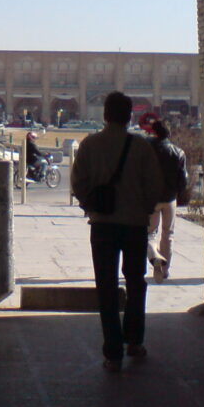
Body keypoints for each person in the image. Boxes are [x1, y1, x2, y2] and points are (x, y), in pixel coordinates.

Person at [71, 91, 162, 372]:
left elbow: (78, 183)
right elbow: (155, 187)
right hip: (134, 225)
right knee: (136, 282)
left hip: (103, 226)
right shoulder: (141, 147)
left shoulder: (90, 145)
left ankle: (112, 352)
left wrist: (92, 206)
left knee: (107, 287)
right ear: (130, 116)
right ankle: (134, 340)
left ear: (105, 115)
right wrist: (143, 208)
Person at [146, 118, 187, 283]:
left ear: (153, 132)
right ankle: (165, 270)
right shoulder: (178, 152)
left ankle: (155, 257)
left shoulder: (146, 151)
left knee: (149, 234)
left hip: (151, 198)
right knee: (168, 234)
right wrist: (178, 192)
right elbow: (183, 180)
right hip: (169, 198)